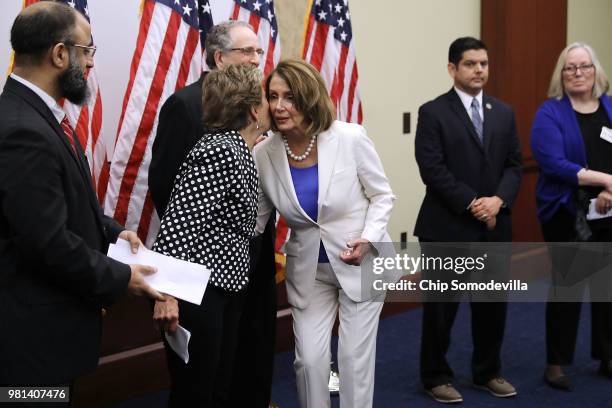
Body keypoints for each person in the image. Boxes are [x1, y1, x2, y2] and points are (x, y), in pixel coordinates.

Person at [0, 2, 163, 388]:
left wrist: (110, 230)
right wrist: (123, 277)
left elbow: (57, 203)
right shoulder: (24, 131)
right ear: (59, 54)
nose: (90, 64)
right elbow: (46, 243)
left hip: (41, 332)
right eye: (87, 50)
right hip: (31, 343)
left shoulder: (33, 116)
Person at [148, 21, 278, 408]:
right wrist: (166, 295)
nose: (277, 106)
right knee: (198, 388)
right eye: (269, 99)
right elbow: (177, 224)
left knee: (219, 381)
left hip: (225, 285)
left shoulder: (239, 147)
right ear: (254, 109)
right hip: (199, 289)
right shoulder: (219, 149)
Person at [254, 59, 395, 408]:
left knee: (352, 361)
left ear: (310, 97)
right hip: (308, 271)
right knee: (310, 362)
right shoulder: (263, 153)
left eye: (289, 96)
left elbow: (381, 195)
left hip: (361, 262)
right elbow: (256, 222)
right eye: (273, 96)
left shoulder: (349, 138)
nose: (279, 106)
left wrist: (369, 236)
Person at [414, 37, 522, 403]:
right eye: (471, 64)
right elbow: (432, 169)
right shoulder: (433, 112)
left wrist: (499, 200)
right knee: (441, 312)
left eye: (484, 64)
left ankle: (487, 372)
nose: (479, 70)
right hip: (448, 227)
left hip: (494, 227)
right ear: (452, 69)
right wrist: (474, 203)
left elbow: (514, 165)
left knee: (492, 308)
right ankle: (435, 377)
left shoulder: (503, 112)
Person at [530, 42, 612, 391]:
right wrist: (606, 180)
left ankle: (607, 354)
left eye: (584, 66)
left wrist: (610, 191)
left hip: (610, 208)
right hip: (568, 210)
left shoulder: (610, 106)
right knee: (570, 286)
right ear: (561, 75)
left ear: (596, 72)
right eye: (570, 67)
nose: (578, 73)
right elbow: (554, 164)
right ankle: (555, 363)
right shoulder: (550, 113)